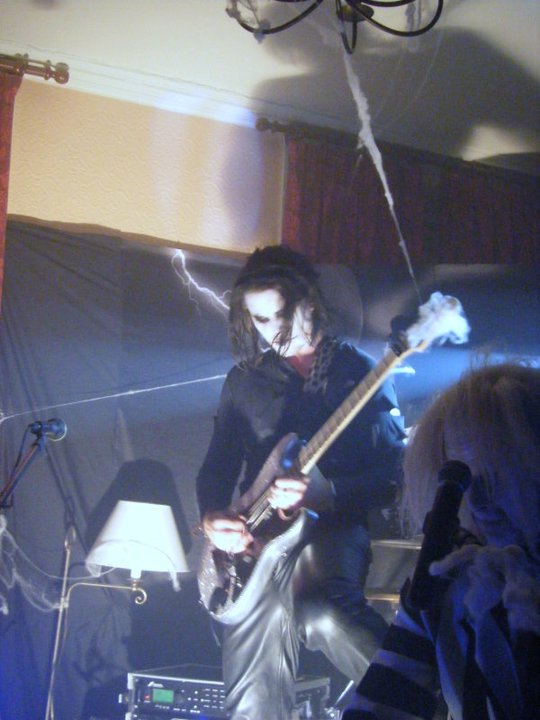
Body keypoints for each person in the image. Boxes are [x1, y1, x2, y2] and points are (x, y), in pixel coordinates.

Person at [196, 245, 405, 720]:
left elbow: (393, 476)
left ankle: (426, 699)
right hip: (257, 545)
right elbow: (217, 467)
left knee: (323, 614)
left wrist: (329, 493)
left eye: (281, 315)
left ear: (310, 302)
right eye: (259, 319)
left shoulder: (358, 373)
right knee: (251, 701)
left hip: (330, 531)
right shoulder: (243, 381)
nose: (272, 332)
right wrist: (211, 517)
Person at [344, 361, 540, 720]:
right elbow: (378, 706)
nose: (479, 504)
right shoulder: (444, 587)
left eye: (497, 475)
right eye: (468, 481)